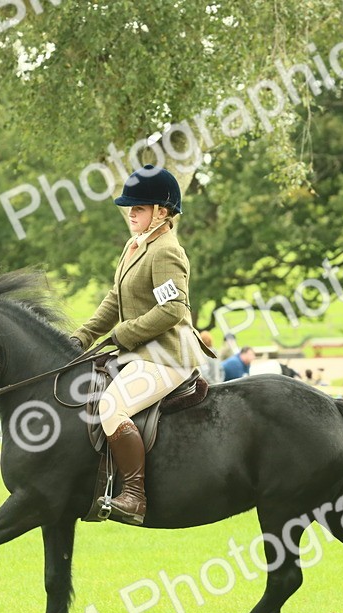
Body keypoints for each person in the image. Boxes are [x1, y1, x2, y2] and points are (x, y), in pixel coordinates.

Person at [70, 165, 217, 524]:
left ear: (161, 212)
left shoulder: (166, 251)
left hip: (167, 356)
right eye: (130, 208)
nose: (131, 213)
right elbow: (113, 299)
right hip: (140, 354)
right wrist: (83, 336)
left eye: (138, 208)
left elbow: (172, 309)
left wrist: (124, 334)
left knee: (111, 407)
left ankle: (135, 497)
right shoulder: (135, 246)